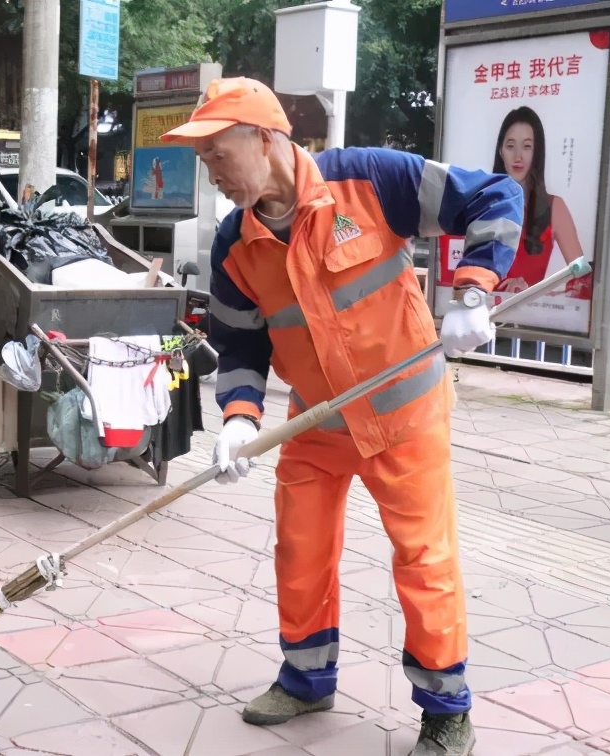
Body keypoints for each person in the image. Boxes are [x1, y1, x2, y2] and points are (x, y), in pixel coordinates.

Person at [159, 78, 523, 756]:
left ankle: (446, 709)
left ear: (265, 137)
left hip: (404, 413)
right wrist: (239, 420)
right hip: (315, 423)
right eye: (203, 160)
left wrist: (475, 288)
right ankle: (305, 678)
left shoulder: (370, 179)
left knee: (424, 559)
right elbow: (240, 344)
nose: (212, 172)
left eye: (218, 154)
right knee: (299, 548)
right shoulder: (235, 244)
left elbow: (496, 195)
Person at [492, 106, 586, 296]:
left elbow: (582, 276)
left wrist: (542, 295)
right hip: (483, 316)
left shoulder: (555, 208)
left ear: (537, 152)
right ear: (501, 151)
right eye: (510, 146)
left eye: (527, 146)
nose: (518, 156)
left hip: (532, 318)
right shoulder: (483, 203)